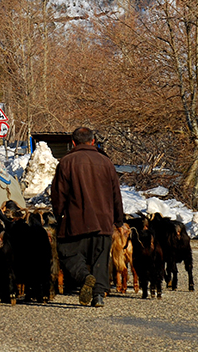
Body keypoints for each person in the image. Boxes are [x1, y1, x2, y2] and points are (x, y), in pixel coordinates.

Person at [50, 127, 124, 308]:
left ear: (73, 143)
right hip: (103, 221)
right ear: (92, 141)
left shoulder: (66, 162)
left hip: (76, 221)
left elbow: (58, 194)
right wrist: (119, 219)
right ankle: (98, 295)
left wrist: (58, 215)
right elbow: (116, 193)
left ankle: (84, 277)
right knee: (100, 259)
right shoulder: (106, 163)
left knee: (68, 253)